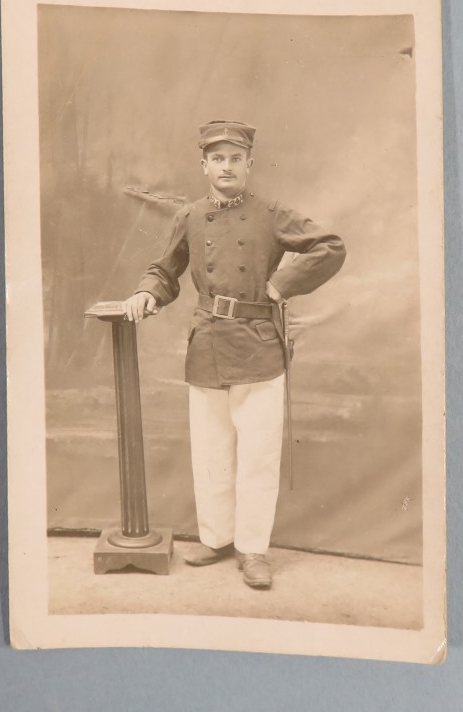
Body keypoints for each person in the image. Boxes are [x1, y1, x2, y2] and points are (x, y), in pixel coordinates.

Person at [122, 120, 345, 589]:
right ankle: (217, 537)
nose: (227, 167)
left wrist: (282, 284)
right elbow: (165, 269)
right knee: (211, 451)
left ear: (249, 165)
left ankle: (253, 549)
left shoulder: (271, 214)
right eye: (218, 159)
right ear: (204, 166)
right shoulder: (189, 216)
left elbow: (329, 246)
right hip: (206, 343)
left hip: (258, 346)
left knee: (258, 455)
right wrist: (146, 293)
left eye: (235, 159)